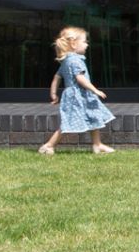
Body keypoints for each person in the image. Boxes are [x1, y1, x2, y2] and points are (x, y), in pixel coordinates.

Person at [39, 25, 116, 155]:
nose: (87, 45)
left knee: (94, 116)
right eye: (85, 42)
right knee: (68, 122)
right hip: (78, 95)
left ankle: (97, 145)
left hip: (79, 95)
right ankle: (49, 145)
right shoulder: (75, 61)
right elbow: (80, 78)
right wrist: (95, 90)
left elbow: (56, 78)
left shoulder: (66, 61)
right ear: (73, 44)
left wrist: (53, 94)